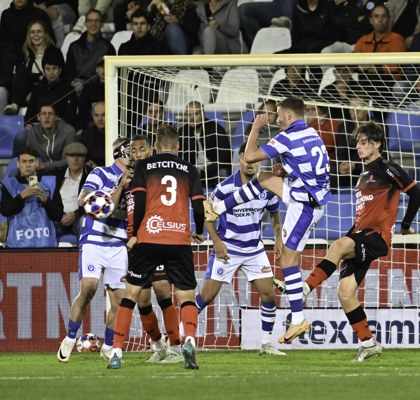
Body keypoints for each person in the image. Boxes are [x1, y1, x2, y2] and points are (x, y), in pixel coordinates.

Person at [275, 121, 420, 361]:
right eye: (358, 142)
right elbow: (365, 213)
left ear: (377, 144)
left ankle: (305, 289)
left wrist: (405, 225)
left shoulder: (387, 168)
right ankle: (369, 343)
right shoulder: (363, 173)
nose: (358, 146)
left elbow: (416, 192)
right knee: (345, 293)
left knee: (338, 246)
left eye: (364, 142)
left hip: (377, 236)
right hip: (362, 234)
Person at [205, 97, 331, 344]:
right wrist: (288, 171)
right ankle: (218, 208)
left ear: (288, 115)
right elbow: (311, 167)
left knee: (288, 262)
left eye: (279, 116)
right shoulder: (312, 133)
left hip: (304, 205)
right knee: (264, 178)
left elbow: (250, 155)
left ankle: (298, 320)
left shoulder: (287, 136)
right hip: (310, 195)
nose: (277, 121)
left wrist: (255, 128)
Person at [106, 125, 206, 370]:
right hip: (178, 239)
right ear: (178, 145)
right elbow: (198, 205)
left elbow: (140, 201)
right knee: (183, 296)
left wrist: (137, 234)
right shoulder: (189, 169)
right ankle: (186, 340)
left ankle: (117, 351)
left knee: (133, 295)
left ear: (155, 148)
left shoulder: (145, 168)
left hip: (146, 238)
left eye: (142, 149)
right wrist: (199, 230)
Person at [197, 142, 285, 355]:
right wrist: (217, 241)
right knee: (206, 296)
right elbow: (208, 215)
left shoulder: (267, 188)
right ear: (239, 161)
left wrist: (278, 238)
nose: (250, 163)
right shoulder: (224, 187)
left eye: (254, 160)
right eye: (246, 159)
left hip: (255, 250)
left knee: (269, 295)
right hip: (228, 249)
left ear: (259, 162)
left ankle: (266, 344)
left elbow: (274, 213)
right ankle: (175, 337)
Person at [57, 138, 132, 363]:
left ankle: (108, 346)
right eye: (130, 150)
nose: (134, 154)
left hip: (119, 243)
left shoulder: (137, 178)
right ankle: (70, 338)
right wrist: (104, 193)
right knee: (89, 288)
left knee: (119, 301)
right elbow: (85, 198)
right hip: (94, 239)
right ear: (119, 153)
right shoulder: (101, 173)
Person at [0, 146, 63, 247]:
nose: (28, 165)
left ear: (37, 163)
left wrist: (46, 200)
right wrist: (22, 195)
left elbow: (58, 215)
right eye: (24, 161)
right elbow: (5, 211)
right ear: (18, 164)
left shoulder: (50, 183)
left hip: (45, 244)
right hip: (17, 244)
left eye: (31, 161)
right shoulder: (9, 185)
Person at [352, 4, 408, 107]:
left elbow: (396, 66)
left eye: (384, 16)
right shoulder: (363, 40)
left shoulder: (397, 39)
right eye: (376, 16)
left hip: (388, 82)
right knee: (340, 86)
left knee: (370, 84)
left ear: (389, 19)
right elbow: (352, 62)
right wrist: (370, 67)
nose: (380, 19)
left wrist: (370, 67)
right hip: (365, 81)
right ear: (371, 20)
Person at [5, 20, 56, 116]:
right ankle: (14, 105)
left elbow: (55, 75)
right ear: (29, 35)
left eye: (39, 31)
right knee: (22, 70)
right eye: (32, 32)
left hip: (47, 88)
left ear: (45, 34)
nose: (36, 35)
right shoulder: (24, 53)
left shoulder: (54, 52)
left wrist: (35, 91)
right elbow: (21, 75)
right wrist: (38, 77)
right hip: (27, 90)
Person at [178, 101, 231, 188]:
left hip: (213, 171)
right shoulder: (182, 133)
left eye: (196, 114)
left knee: (223, 174)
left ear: (203, 114)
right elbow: (180, 158)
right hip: (192, 173)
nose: (192, 118)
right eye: (188, 115)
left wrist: (204, 171)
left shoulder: (216, 130)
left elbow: (225, 159)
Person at [24, 46, 77, 127]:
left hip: (61, 129)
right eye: (48, 69)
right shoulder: (38, 89)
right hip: (39, 129)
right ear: (44, 71)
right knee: (21, 135)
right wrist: (28, 125)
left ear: (60, 70)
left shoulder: (69, 89)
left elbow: (70, 119)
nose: (51, 72)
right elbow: (28, 117)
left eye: (54, 68)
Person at [24, 102, 77, 174]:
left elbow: (68, 160)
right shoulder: (33, 132)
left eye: (50, 114)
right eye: (43, 113)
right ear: (38, 117)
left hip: (63, 172)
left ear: (56, 117)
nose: (47, 117)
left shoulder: (68, 131)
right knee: (16, 173)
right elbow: (27, 155)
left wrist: (43, 166)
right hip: (41, 171)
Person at [64, 9, 116, 83]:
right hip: (78, 87)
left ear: (102, 24)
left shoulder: (108, 47)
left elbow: (111, 75)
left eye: (97, 20)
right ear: (85, 24)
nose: (93, 24)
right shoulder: (74, 46)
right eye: (90, 20)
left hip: (99, 88)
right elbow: (68, 73)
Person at [54, 142, 92, 240]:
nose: (75, 159)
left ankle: (84, 249)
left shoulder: (91, 175)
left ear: (84, 158)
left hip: (79, 217)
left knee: (84, 221)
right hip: (60, 219)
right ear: (66, 157)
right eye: (72, 156)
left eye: (79, 156)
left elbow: (93, 201)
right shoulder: (59, 174)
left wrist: (76, 214)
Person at [75, 58, 105, 134]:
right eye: (101, 66)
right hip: (92, 124)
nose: (104, 69)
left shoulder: (119, 88)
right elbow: (82, 113)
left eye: (107, 66)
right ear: (97, 69)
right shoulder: (88, 89)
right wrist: (81, 128)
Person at [78, 102, 106, 167]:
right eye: (96, 115)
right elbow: (84, 158)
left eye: (103, 115)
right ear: (93, 116)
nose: (100, 119)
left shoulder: (119, 133)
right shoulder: (86, 134)